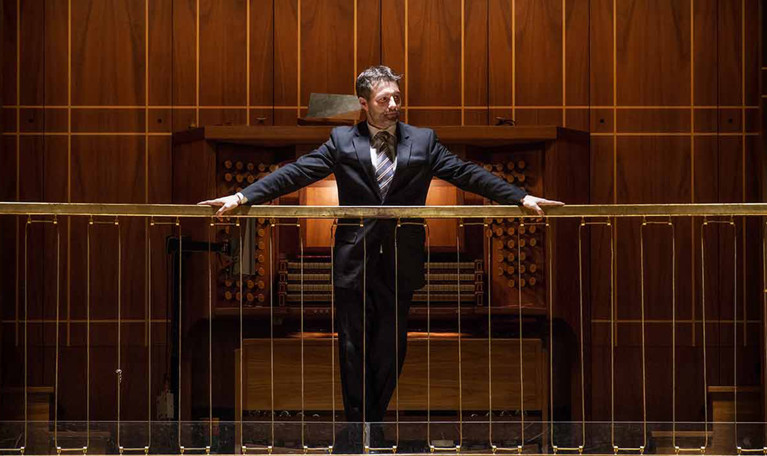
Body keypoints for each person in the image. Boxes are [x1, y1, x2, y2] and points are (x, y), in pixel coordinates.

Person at [199, 65, 563, 453]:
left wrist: (520, 197)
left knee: (392, 346)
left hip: (400, 259)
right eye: (384, 99)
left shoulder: (424, 141)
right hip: (353, 258)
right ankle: (360, 429)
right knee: (352, 345)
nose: (393, 106)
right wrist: (241, 197)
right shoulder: (341, 140)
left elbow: (466, 173)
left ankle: (374, 420)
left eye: (397, 98)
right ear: (363, 104)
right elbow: (296, 174)